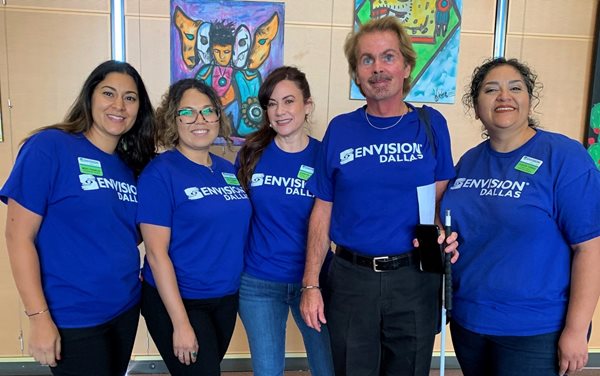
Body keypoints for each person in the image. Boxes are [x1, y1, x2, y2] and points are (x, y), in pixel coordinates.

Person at [300, 16, 458, 376]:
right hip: (351, 281)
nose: (378, 68)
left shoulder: (431, 125)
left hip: (415, 277)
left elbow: (440, 195)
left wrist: (441, 234)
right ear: (356, 74)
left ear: (405, 65)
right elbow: (322, 211)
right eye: (366, 60)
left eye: (388, 57)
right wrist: (310, 283)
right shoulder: (340, 130)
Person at [442, 57, 600, 376]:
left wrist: (575, 331)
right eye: (491, 89)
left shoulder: (564, 158)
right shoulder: (468, 162)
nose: (504, 96)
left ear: (529, 100)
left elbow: (590, 249)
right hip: (469, 323)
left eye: (515, 87)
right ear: (475, 107)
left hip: (536, 330)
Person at [0, 60, 156, 375]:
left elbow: (128, 232)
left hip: (124, 308)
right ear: (89, 97)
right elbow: (18, 237)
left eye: (130, 98)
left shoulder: (130, 167)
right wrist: (39, 318)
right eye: (109, 93)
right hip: (72, 317)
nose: (119, 105)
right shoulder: (49, 147)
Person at [137, 78, 252, 376]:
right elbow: (155, 253)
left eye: (207, 111)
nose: (199, 120)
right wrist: (180, 323)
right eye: (187, 112)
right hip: (182, 301)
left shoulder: (228, 170)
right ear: (173, 119)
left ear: (218, 117)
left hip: (225, 298)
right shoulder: (159, 173)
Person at [235, 66, 334, 376]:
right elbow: (229, 216)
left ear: (307, 105)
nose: (279, 111)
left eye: (288, 101)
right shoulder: (252, 154)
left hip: (316, 281)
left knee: (326, 367)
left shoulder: (325, 157)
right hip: (259, 282)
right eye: (272, 104)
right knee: (267, 371)